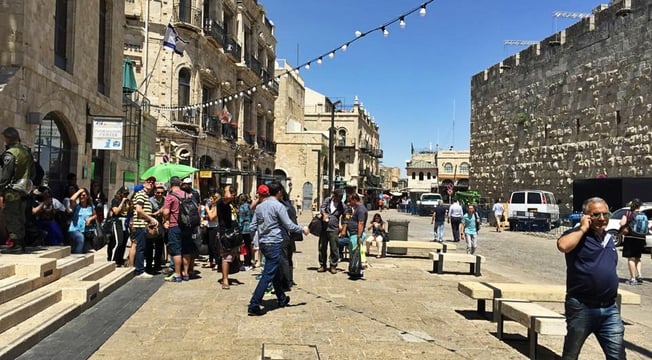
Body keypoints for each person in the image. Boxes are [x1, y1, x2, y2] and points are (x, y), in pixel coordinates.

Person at [557, 197, 624, 359]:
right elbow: (563, 246)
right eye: (596, 215)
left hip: (609, 308)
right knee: (571, 355)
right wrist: (581, 229)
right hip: (582, 307)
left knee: (618, 356)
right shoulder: (577, 235)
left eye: (605, 214)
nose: (602, 219)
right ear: (586, 216)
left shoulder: (609, 238)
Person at [247, 182, 309, 316]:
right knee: (268, 275)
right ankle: (254, 304)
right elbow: (289, 225)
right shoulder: (279, 206)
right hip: (274, 243)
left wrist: (255, 240)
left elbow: (252, 227)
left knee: (274, 272)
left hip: (264, 244)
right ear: (279, 192)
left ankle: (281, 298)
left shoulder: (259, 207)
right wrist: (302, 229)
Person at [0, 127, 34, 253]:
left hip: (12, 190)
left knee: (12, 216)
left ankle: (16, 244)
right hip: (24, 190)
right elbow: (34, 173)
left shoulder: (11, 154)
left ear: (8, 138)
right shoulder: (26, 152)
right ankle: (21, 243)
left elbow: (5, 176)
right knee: (20, 216)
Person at [162, 176, 194, 282]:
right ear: (179, 184)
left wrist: (165, 219)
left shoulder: (170, 197)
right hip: (187, 226)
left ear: (171, 185)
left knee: (176, 250)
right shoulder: (188, 194)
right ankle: (186, 273)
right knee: (186, 250)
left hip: (175, 225)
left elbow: (166, 212)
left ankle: (177, 274)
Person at [131, 176, 158, 278]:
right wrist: (151, 219)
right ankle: (140, 270)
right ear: (144, 183)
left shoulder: (145, 195)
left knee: (142, 247)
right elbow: (139, 209)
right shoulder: (141, 194)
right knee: (141, 248)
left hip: (143, 224)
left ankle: (140, 268)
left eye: (152, 182)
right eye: (149, 181)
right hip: (140, 225)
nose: (150, 183)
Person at [217, 184, 239, 289]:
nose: (230, 192)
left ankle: (227, 275)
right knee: (226, 256)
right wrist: (228, 190)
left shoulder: (232, 203)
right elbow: (227, 197)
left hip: (233, 232)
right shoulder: (221, 202)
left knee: (232, 255)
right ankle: (225, 279)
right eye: (228, 190)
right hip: (224, 233)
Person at [318, 189, 345, 274]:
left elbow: (346, 215)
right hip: (324, 228)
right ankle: (322, 265)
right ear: (334, 195)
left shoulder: (342, 205)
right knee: (322, 247)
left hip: (334, 229)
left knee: (334, 248)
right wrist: (324, 213)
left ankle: (333, 265)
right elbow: (322, 207)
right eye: (339, 196)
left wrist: (343, 227)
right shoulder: (328, 200)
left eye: (341, 197)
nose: (340, 198)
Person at [620, 198, 646, 285]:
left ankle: (632, 278)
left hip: (631, 237)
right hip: (641, 238)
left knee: (631, 258)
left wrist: (622, 223)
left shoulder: (628, 213)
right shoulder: (643, 214)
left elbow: (622, 223)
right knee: (638, 257)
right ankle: (639, 275)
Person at [67, 187, 97, 254]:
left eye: (83, 195)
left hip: (86, 231)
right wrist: (80, 191)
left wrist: (90, 219)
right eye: (80, 195)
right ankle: (77, 257)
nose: (82, 197)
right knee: (80, 237)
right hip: (75, 229)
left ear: (87, 196)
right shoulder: (76, 206)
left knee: (83, 248)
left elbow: (95, 215)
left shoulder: (90, 206)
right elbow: (71, 199)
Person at [107, 186, 132, 266]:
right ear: (120, 193)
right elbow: (116, 211)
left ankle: (119, 259)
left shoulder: (127, 201)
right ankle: (112, 259)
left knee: (124, 242)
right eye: (124, 194)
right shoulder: (115, 200)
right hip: (117, 221)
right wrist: (122, 202)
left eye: (127, 194)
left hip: (125, 222)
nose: (126, 195)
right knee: (119, 242)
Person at [346, 193, 368, 278]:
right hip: (353, 234)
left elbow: (361, 223)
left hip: (356, 235)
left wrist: (359, 236)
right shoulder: (357, 208)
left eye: (350, 201)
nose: (349, 203)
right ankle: (353, 270)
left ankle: (356, 271)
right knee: (353, 254)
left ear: (355, 200)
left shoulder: (361, 209)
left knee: (356, 254)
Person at [147, 185, 166, 273]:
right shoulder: (150, 201)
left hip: (161, 224)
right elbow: (149, 213)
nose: (160, 194)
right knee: (150, 245)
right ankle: (149, 265)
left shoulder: (165, 200)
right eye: (158, 192)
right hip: (151, 224)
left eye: (162, 193)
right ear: (154, 192)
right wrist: (159, 211)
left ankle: (158, 264)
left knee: (159, 245)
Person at [204, 192, 220, 270]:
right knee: (210, 245)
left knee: (214, 246)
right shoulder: (211, 206)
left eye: (211, 199)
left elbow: (212, 217)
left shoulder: (216, 207)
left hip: (215, 227)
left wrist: (207, 209)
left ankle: (217, 262)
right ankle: (210, 261)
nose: (209, 200)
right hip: (209, 226)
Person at [238, 194, 254, 270]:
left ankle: (246, 263)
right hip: (250, 227)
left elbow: (241, 219)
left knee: (245, 247)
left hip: (244, 228)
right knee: (249, 245)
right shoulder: (249, 206)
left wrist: (239, 228)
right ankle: (249, 262)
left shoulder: (242, 207)